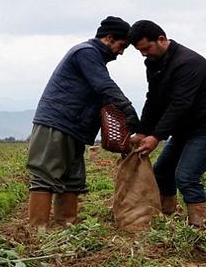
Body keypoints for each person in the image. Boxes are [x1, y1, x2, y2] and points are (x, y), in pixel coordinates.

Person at [27, 16, 139, 228]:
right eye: (122, 45)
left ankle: (66, 228)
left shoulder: (94, 57)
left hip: (75, 127)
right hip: (57, 122)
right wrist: (127, 108)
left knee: (72, 179)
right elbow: (104, 86)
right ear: (108, 38)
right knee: (45, 177)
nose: (121, 52)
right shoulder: (86, 52)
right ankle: (36, 233)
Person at [128, 20, 206, 227]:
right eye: (140, 51)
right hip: (184, 129)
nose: (144, 54)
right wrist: (143, 131)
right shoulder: (154, 64)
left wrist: (156, 137)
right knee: (162, 172)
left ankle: (199, 227)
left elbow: (180, 104)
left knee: (186, 176)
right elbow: (153, 100)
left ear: (162, 39)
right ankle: (169, 219)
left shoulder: (189, 63)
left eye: (146, 48)